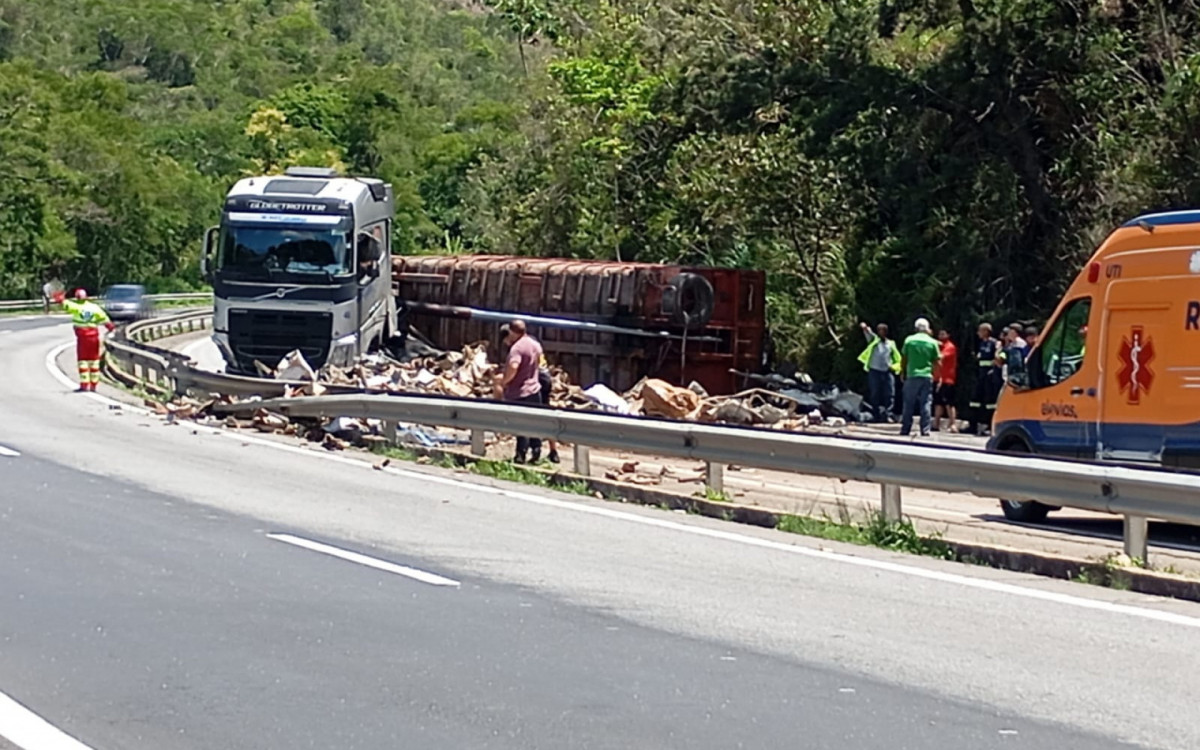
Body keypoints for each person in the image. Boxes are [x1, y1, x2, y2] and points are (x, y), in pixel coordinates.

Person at [494, 320, 544, 464]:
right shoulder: (535, 344)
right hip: (535, 389)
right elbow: (540, 363)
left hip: (519, 392)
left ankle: (520, 455)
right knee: (535, 423)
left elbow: (513, 366)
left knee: (521, 425)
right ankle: (536, 450)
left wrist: (505, 381)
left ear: (511, 331)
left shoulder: (517, 348)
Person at [57, 288, 115, 391]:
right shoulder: (94, 308)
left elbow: (65, 304)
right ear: (87, 297)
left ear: (77, 298)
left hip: (82, 338)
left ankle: (84, 384)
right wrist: (111, 327)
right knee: (94, 361)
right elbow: (105, 319)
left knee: (83, 361)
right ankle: (93, 385)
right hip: (93, 337)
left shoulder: (75, 307)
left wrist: (60, 298)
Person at [899, 317, 941, 437]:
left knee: (908, 403)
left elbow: (904, 358)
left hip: (912, 375)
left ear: (916, 328)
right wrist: (937, 376)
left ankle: (905, 429)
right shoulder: (932, 342)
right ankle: (925, 429)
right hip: (927, 376)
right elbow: (937, 361)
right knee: (926, 403)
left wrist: (903, 372)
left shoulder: (909, 340)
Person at [858, 322, 901, 423]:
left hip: (887, 371)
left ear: (886, 332)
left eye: (883, 331)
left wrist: (894, 367)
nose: (881, 333)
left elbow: (897, 357)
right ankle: (876, 414)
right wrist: (865, 327)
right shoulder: (874, 340)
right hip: (875, 370)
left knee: (890, 393)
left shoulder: (891, 343)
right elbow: (868, 333)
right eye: (880, 331)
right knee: (875, 393)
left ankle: (888, 414)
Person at [966, 322, 1000, 436]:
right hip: (980, 374)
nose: (978, 333)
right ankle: (972, 425)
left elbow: (997, 357)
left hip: (990, 375)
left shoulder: (994, 343)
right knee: (975, 400)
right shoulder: (981, 343)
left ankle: (990, 426)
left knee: (990, 402)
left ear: (986, 331)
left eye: (980, 330)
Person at [932, 328, 958, 433]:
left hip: (948, 379)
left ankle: (953, 424)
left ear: (948, 335)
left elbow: (940, 356)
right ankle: (936, 423)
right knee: (938, 402)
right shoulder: (939, 346)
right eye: (939, 334)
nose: (941, 336)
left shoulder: (949, 347)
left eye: (943, 334)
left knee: (949, 402)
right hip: (938, 378)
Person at [537, 351, 560, 464]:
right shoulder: (535, 345)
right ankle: (553, 450)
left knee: (533, 416)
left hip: (538, 379)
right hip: (546, 378)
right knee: (547, 414)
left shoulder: (522, 346)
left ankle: (536, 449)